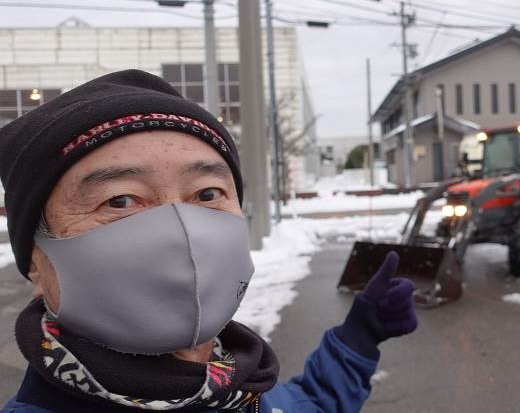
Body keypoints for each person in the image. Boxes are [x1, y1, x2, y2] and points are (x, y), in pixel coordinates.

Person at [0, 70, 418, 412]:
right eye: (120, 200)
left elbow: (306, 404)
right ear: (35, 258)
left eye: (206, 194)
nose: (183, 230)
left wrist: (358, 337)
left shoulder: (239, 388)